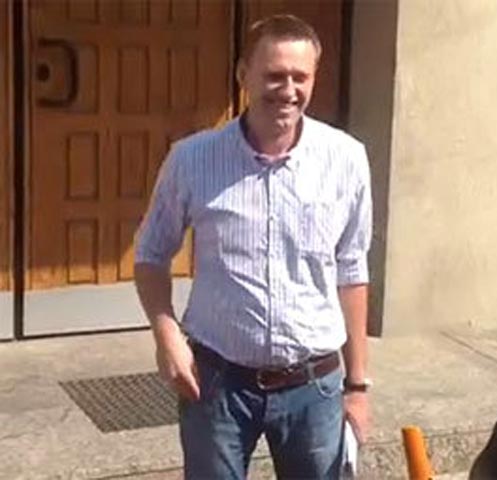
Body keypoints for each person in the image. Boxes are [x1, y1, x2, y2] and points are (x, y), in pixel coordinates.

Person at [134, 14, 373, 480]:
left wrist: (358, 386)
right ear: (244, 74)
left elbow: (352, 270)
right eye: (274, 75)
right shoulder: (192, 158)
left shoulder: (346, 158)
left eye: (300, 77)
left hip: (315, 388)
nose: (288, 90)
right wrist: (167, 338)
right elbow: (150, 255)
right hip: (217, 384)